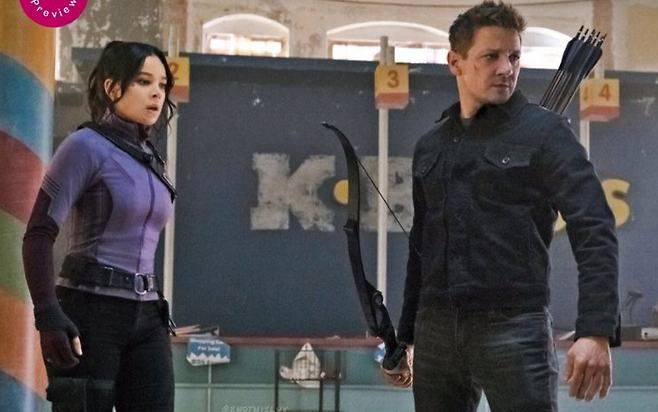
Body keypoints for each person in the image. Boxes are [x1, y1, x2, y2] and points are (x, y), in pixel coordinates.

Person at [382, 2, 619, 411]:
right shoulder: (431, 145)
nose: (506, 68)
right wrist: (408, 337)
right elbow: (422, 246)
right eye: (490, 56)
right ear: (455, 62)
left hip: (515, 327)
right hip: (436, 328)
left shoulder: (546, 134)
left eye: (514, 56)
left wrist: (596, 330)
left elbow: (594, 226)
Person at [23, 41, 178, 412]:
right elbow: (39, 234)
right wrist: (47, 314)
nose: (157, 93)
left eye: (162, 84)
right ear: (112, 87)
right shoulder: (84, 146)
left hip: (149, 315)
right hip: (90, 310)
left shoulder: (151, 159)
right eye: (144, 81)